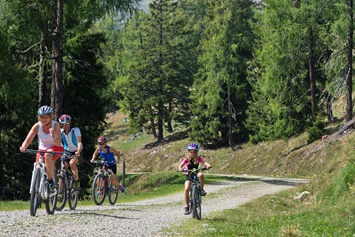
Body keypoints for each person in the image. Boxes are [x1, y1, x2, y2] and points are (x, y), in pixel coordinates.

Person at [19, 105, 64, 192]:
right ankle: (37, 190)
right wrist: (23, 146)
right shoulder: (37, 126)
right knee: (37, 165)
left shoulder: (55, 125)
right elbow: (28, 139)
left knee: (47, 155)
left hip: (56, 148)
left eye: (46, 117)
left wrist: (53, 135)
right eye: (41, 117)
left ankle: (51, 181)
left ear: (50, 117)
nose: (43, 119)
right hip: (42, 149)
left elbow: (58, 142)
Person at [178, 143, 211, 215]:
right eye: (191, 151)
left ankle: (201, 189)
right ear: (188, 152)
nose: (192, 153)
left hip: (196, 174)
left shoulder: (199, 158)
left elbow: (205, 163)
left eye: (194, 151)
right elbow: (180, 165)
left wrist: (207, 165)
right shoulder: (186, 159)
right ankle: (186, 206)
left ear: (196, 152)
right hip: (189, 175)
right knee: (186, 189)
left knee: (201, 175)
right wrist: (180, 169)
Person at [58, 114, 83, 188]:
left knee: (72, 163)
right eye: (64, 124)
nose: (66, 125)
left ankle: (76, 180)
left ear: (70, 122)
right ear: (61, 124)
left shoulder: (75, 130)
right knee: (63, 168)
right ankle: (59, 190)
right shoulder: (61, 131)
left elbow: (79, 142)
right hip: (67, 151)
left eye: (67, 123)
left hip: (76, 150)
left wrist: (78, 151)